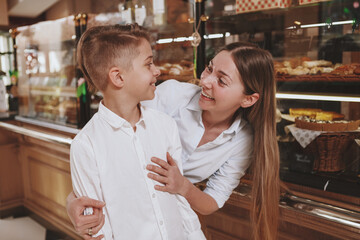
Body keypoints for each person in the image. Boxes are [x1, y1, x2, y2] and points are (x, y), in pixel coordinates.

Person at [67, 40, 280, 240]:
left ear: (248, 99)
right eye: (209, 68)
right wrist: (71, 202)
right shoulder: (170, 96)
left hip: (176, 220)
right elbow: (113, 144)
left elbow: (212, 201)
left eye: (222, 81)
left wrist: (183, 187)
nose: (205, 81)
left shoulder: (242, 141)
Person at [70, 24, 205, 240]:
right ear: (118, 77)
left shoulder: (165, 125)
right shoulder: (86, 145)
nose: (157, 70)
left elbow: (179, 198)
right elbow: (97, 227)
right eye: (148, 64)